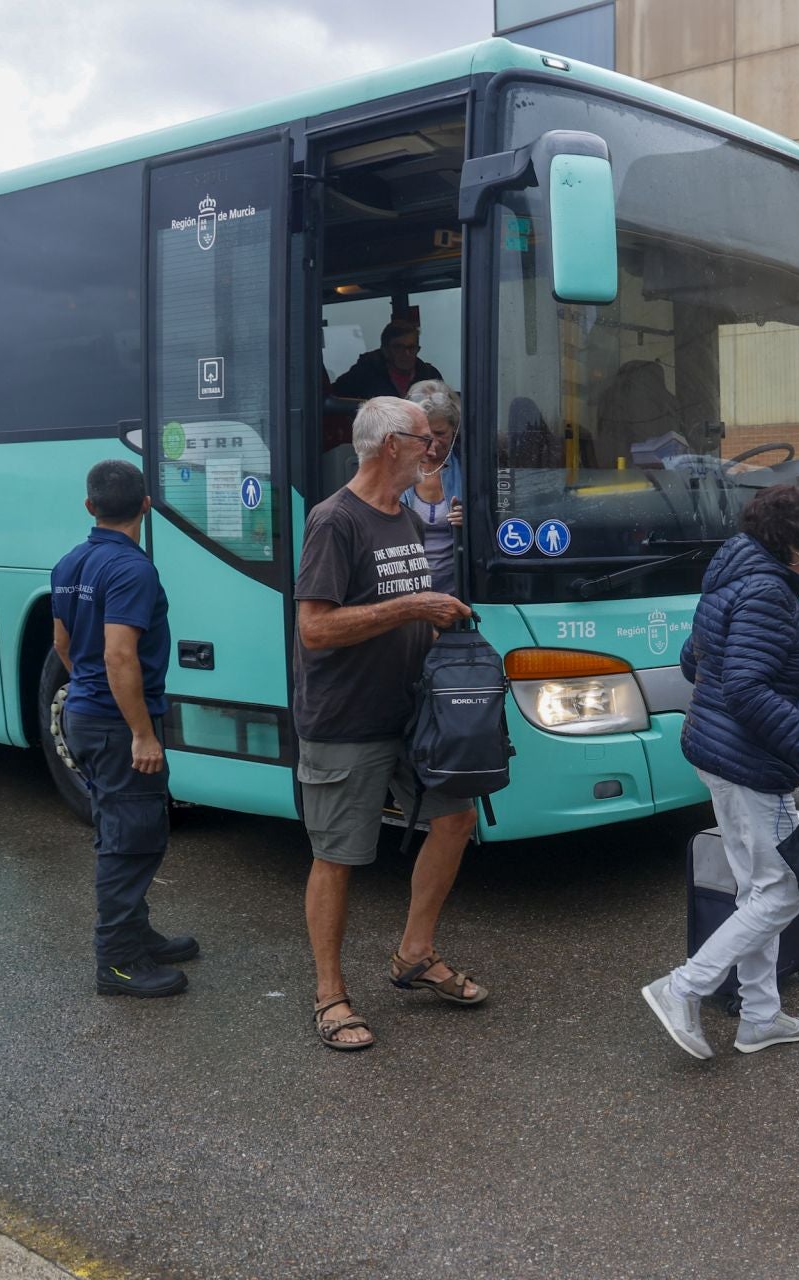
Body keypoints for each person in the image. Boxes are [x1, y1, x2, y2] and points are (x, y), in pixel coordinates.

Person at [294, 397, 482, 1051]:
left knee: (456, 819)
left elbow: (407, 611)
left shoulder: (401, 515)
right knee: (338, 857)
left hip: (411, 713)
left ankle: (414, 953)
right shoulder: (334, 520)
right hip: (347, 720)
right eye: (425, 438)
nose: (436, 448)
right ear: (389, 445)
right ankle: (329, 996)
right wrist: (410, 608)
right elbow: (314, 628)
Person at [642, 486, 799, 1059]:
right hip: (750, 763)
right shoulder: (767, 592)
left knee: (758, 888)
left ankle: (759, 1016)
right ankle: (683, 986)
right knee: (785, 888)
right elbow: (747, 688)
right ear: (796, 544)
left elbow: (695, 660)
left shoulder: (731, 580)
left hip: (721, 755)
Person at [51, 460, 195, 998]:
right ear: (146, 506)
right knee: (129, 841)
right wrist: (141, 732)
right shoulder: (133, 570)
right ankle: (116, 960)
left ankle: (137, 934)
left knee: (124, 828)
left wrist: (87, 696)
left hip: (86, 714)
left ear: (90, 506)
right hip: (116, 725)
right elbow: (119, 654)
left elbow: (63, 644)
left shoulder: (71, 562)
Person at [399, 381, 464, 596]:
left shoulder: (469, 469)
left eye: (440, 433)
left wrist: (470, 522)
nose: (432, 445)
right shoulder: (394, 471)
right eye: (424, 436)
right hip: (407, 595)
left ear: (454, 429)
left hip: (456, 594)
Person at [332, 321, 442, 402]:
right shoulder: (364, 374)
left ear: (418, 349)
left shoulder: (429, 376)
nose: (406, 354)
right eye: (399, 348)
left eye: (411, 347)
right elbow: (334, 400)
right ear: (385, 350)